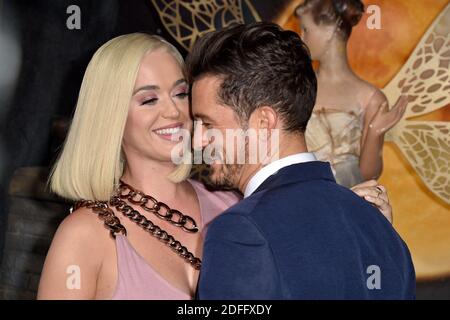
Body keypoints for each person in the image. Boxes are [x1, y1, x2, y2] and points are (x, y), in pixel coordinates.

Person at [38, 32, 392, 300]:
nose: (174, 111)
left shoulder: (235, 204)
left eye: (181, 93)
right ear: (109, 116)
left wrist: (341, 220)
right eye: (148, 99)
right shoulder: (85, 234)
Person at [187, 22, 415, 299]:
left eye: (207, 124)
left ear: (263, 123)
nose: (197, 141)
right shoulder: (377, 227)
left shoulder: (240, 232)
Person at [295, 0, 407, 187]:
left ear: (329, 31)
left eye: (306, 30)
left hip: (347, 204)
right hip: (302, 198)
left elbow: (368, 175)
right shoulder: (296, 88)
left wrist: (374, 132)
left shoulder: (370, 98)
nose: (301, 37)